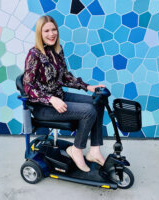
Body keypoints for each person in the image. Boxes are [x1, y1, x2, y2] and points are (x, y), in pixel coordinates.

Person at [23, 15, 106, 172]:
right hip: (44, 107)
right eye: (46, 30)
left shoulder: (57, 50)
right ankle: (76, 149)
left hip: (60, 96)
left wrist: (87, 87)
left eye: (54, 29)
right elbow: (28, 87)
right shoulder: (34, 54)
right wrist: (50, 99)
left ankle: (94, 150)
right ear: (39, 33)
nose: (51, 34)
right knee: (89, 112)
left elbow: (65, 76)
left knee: (98, 101)